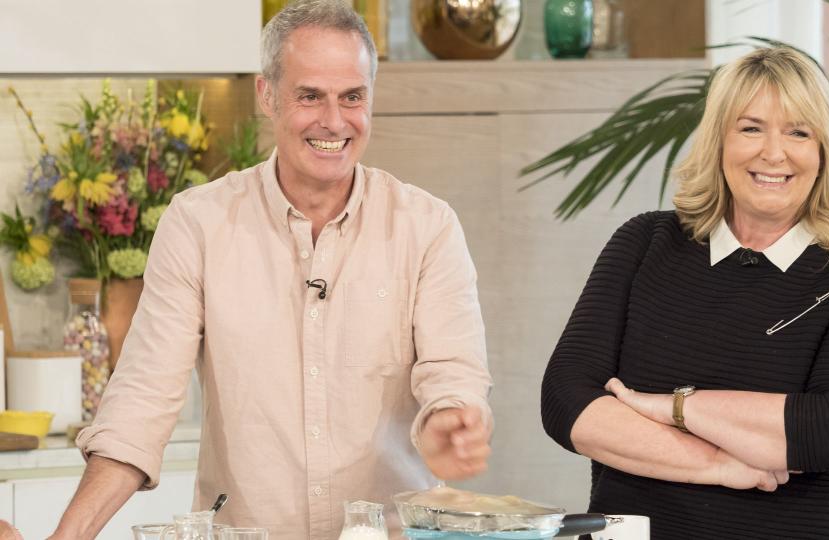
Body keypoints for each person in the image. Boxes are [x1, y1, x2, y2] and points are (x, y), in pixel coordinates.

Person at [34, 2, 493, 538]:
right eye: (309, 96)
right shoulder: (198, 223)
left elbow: (453, 374)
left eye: (352, 97)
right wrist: (67, 536)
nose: (334, 121)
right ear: (266, 96)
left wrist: (451, 419)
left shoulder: (427, 225)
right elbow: (141, 402)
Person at [540, 47, 829, 539]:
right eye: (751, 128)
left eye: (799, 132)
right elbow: (567, 403)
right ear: (718, 141)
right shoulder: (644, 242)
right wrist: (718, 464)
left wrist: (671, 408)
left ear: (823, 152)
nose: (773, 153)